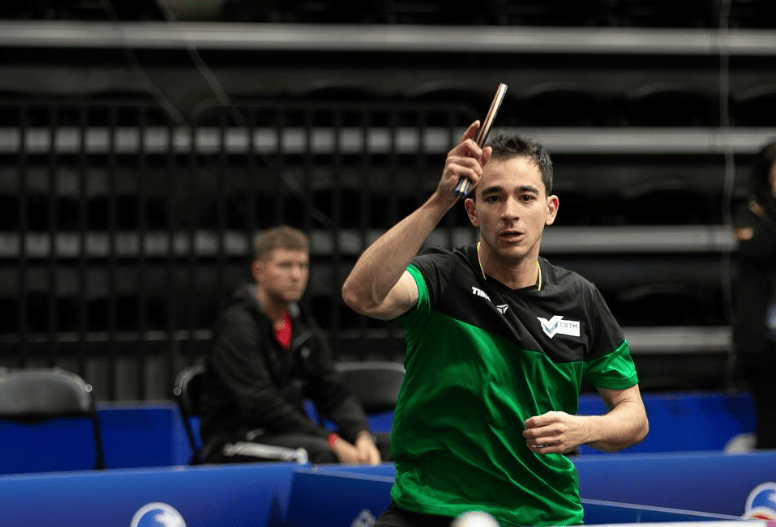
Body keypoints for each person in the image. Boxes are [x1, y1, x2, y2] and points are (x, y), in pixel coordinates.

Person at [342, 122, 649, 526]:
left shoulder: (581, 299)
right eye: (493, 197)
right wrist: (438, 200)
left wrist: (584, 428)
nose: (510, 213)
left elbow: (634, 416)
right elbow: (361, 294)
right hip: (429, 510)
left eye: (525, 197)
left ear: (550, 209)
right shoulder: (441, 278)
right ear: (472, 210)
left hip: (543, 515)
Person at [199, 225, 390, 465]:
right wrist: (331, 440)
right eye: (285, 265)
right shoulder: (237, 326)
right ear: (259, 271)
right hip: (234, 439)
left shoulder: (301, 325)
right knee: (320, 454)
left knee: (390, 448)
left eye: (302, 266)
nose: (296, 275)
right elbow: (260, 403)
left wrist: (361, 435)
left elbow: (333, 391)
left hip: (290, 435)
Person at [732, 140, 776, 450]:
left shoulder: (760, 215)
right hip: (762, 339)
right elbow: (760, 249)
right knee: (771, 418)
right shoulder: (747, 211)